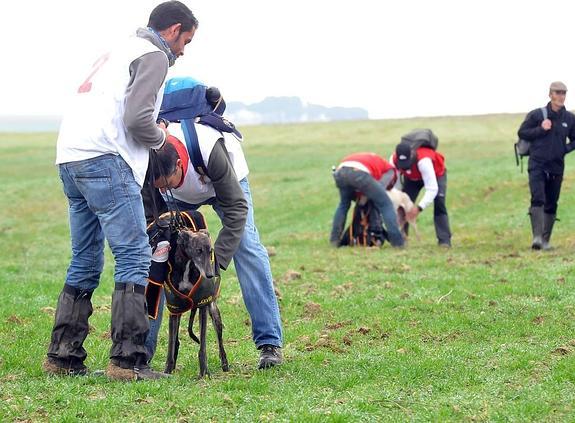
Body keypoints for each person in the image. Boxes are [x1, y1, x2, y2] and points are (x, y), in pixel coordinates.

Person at [43, 1, 198, 381]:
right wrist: (161, 139)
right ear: (173, 29)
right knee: (135, 256)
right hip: (106, 160)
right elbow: (135, 119)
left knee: (85, 257)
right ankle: (128, 361)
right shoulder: (154, 55)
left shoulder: (118, 49)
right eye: (186, 41)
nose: (183, 51)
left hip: (70, 158)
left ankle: (62, 357)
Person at [144, 116, 284, 369]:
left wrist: (215, 259)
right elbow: (149, 215)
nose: (166, 190)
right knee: (155, 258)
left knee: (246, 246)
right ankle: (141, 351)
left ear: (178, 164)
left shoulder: (209, 149)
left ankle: (269, 343)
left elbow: (237, 208)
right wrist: (160, 241)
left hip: (222, 185)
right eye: (160, 187)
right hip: (182, 198)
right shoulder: (148, 163)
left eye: (169, 183)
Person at [518, 81, 575, 250]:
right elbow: (522, 132)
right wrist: (541, 130)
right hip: (537, 164)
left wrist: (564, 149)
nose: (560, 96)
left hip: (557, 166)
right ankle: (537, 238)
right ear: (550, 94)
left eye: (563, 93)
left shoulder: (569, 119)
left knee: (552, 202)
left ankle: (545, 240)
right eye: (557, 93)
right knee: (538, 198)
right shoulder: (537, 115)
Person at [330, 152, 404, 247]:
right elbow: (380, 188)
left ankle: (334, 240)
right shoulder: (390, 172)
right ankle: (397, 242)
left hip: (340, 172)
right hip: (359, 172)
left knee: (344, 204)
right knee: (386, 204)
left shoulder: (375, 161)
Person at [391, 142, 451, 247]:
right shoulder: (393, 160)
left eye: (407, 164)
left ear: (412, 156)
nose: (405, 167)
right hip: (412, 178)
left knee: (439, 202)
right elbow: (395, 184)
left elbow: (432, 189)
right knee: (403, 206)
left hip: (437, 174)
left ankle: (444, 240)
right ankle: (401, 239)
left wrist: (419, 208)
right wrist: (398, 200)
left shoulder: (424, 161)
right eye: (403, 166)